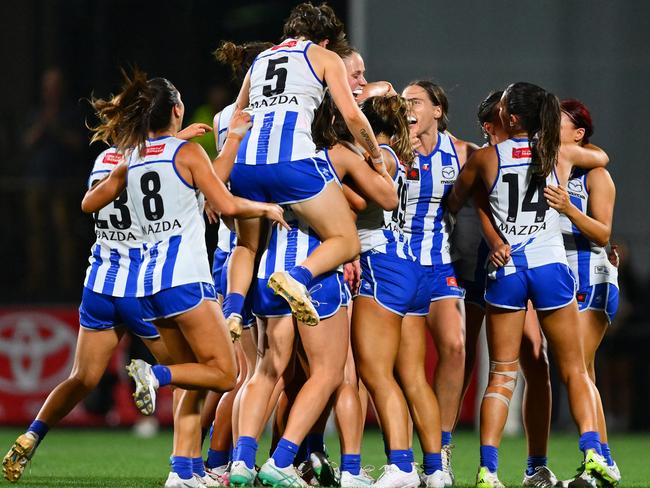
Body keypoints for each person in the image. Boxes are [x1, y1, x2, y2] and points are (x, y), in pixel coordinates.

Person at [80, 69, 286, 488]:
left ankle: (183, 470)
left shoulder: (131, 157)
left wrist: (205, 144)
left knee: (192, 376)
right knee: (225, 374)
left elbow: (97, 200)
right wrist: (265, 210)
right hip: (186, 280)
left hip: (146, 284)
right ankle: (152, 375)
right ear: (177, 109)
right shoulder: (186, 154)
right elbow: (225, 203)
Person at [447, 82, 613, 488]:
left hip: (505, 268)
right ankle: (593, 453)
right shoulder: (560, 152)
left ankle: (488, 470)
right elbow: (602, 156)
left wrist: (487, 213)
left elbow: (454, 200)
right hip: (549, 266)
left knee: (502, 375)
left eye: (502, 106)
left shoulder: (486, 158)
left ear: (512, 117)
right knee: (574, 370)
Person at [228, 91, 398, 488]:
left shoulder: (262, 159)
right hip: (314, 274)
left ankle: (240, 463)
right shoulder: (336, 154)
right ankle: (283, 460)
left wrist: (235, 303)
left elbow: (245, 242)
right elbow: (388, 197)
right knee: (328, 374)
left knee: (266, 372)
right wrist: (373, 157)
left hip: (268, 270)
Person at [2, 143, 175, 484]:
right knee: (194, 373)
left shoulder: (103, 158)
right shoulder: (154, 161)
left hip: (98, 284)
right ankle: (192, 467)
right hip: (139, 284)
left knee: (81, 378)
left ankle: (31, 435)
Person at [223, 2, 385, 330]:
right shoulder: (323, 57)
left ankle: (233, 310)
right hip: (291, 163)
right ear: (325, 41)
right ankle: (297, 277)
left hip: (246, 165)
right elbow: (352, 115)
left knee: (246, 244)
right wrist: (377, 159)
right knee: (345, 239)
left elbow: (236, 114)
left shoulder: (260, 60)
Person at [546, 99, 620, 486]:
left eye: (558, 120)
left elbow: (603, 233)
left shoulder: (595, 176)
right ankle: (603, 462)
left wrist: (569, 210)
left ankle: (599, 460)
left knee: (574, 370)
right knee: (583, 373)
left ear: (578, 133)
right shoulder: (553, 169)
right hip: (569, 281)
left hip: (593, 277)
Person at [401, 81, 470, 481]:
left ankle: (441, 446)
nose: (407, 108)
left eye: (416, 102)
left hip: (439, 262)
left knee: (455, 346)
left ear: (437, 110)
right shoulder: (391, 147)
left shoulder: (460, 152)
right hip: (396, 263)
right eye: (404, 102)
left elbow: (495, 188)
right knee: (401, 366)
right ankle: (403, 456)